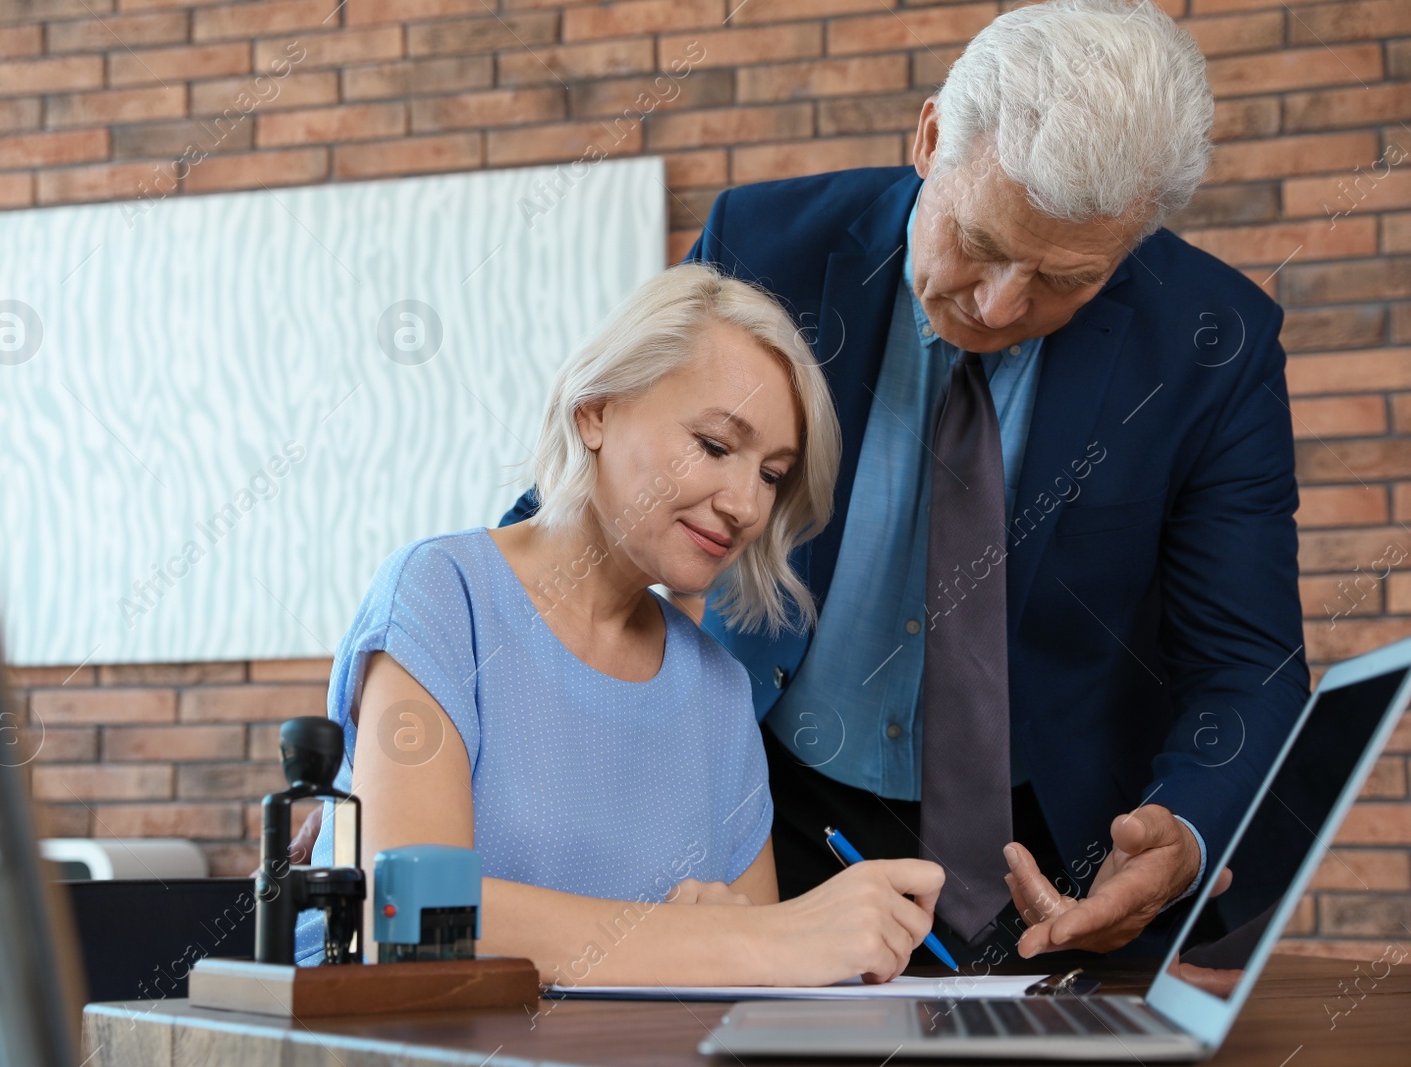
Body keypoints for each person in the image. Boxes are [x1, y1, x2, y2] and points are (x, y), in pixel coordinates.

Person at [502, 0, 1308, 971]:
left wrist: (1181, 836)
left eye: (1064, 277)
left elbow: (1244, 668)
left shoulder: (1209, 346)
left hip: (1060, 865)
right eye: (979, 240)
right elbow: (597, 491)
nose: (1001, 303)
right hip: (769, 816)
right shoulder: (771, 248)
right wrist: (447, 675)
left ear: (1130, 241)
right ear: (929, 137)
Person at [293, 261, 948, 985]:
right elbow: (408, 914)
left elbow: (754, 982)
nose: (746, 506)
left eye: (771, 474)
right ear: (596, 410)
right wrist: (734, 943)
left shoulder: (720, 691)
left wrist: (736, 942)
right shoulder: (442, 596)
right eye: (716, 445)